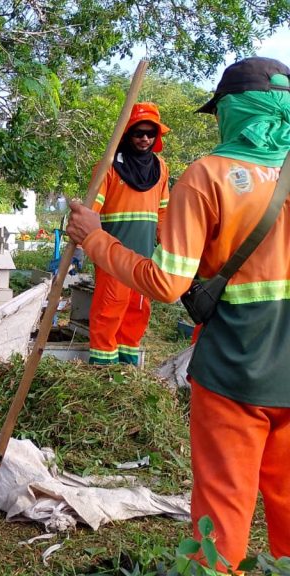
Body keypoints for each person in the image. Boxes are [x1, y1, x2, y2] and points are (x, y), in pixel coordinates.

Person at [66, 56, 290, 570]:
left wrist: (95, 240)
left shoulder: (204, 176)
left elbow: (168, 284)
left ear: (231, 112)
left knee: (221, 516)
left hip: (235, 373)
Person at [87, 102, 170, 366]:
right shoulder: (109, 166)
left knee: (138, 309)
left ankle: (127, 366)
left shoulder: (161, 168)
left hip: (144, 257)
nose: (144, 138)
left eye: (150, 133)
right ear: (127, 134)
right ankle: (102, 367)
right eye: (138, 132)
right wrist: (85, 241)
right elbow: (91, 211)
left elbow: (163, 212)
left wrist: (166, 246)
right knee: (110, 307)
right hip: (113, 254)